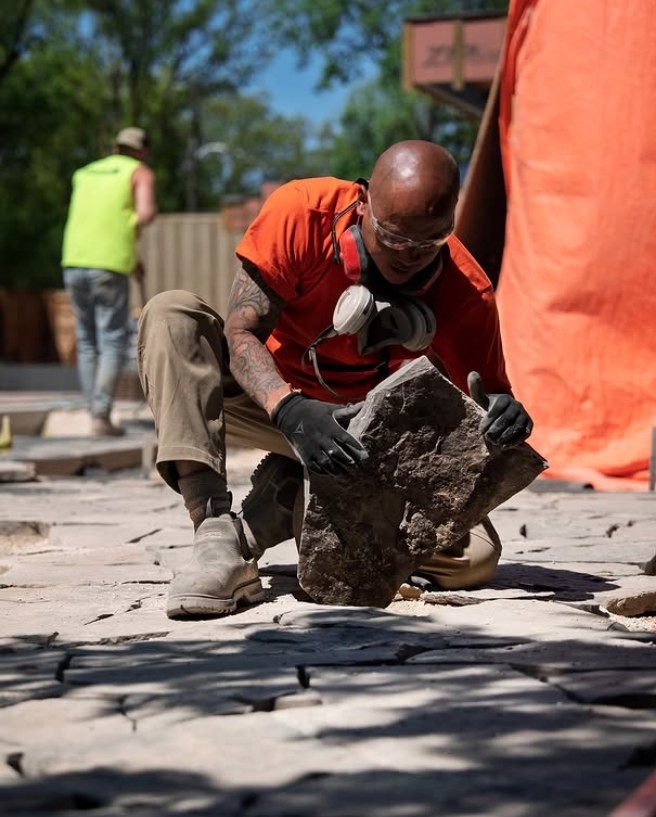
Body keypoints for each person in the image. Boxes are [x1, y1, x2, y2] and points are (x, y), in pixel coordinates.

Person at [137, 139, 533, 620]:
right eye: (392, 238)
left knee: (474, 557)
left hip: (358, 444)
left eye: (427, 244)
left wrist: (504, 412)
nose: (409, 256)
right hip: (273, 404)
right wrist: (291, 409)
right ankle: (216, 534)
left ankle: (279, 508)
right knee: (171, 314)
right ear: (363, 201)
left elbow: (488, 394)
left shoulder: (466, 290)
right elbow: (241, 331)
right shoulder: (301, 212)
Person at [61, 126, 157, 436]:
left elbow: (95, 221)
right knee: (113, 338)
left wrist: (133, 259)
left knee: (86, 339)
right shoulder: (139, 172)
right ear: (141, 151)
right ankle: (100, 416)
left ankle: (94, 412)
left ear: (116, 148)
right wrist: (130, 232)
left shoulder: (84, 172)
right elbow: (145, 213)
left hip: (73, 260)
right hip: (110, 265)